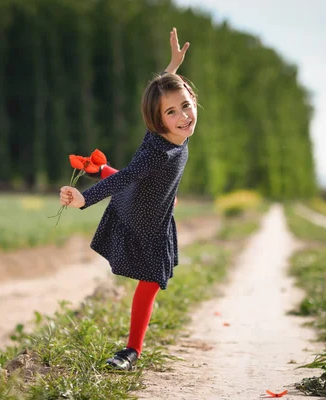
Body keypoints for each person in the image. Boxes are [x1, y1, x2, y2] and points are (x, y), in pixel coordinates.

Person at [59, 27, 197, 371]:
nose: (183, 116)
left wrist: (171, 68)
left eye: (186, 105)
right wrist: (84, 201)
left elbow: (164, 94)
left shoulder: (175, 133)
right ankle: (131, 351)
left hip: (154, 205)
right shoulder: (158, 154)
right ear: (157, 120)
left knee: (149, 283)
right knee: (149, 284)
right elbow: (128, 179)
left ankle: (98, 166)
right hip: (138, 213)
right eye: (172, 113)